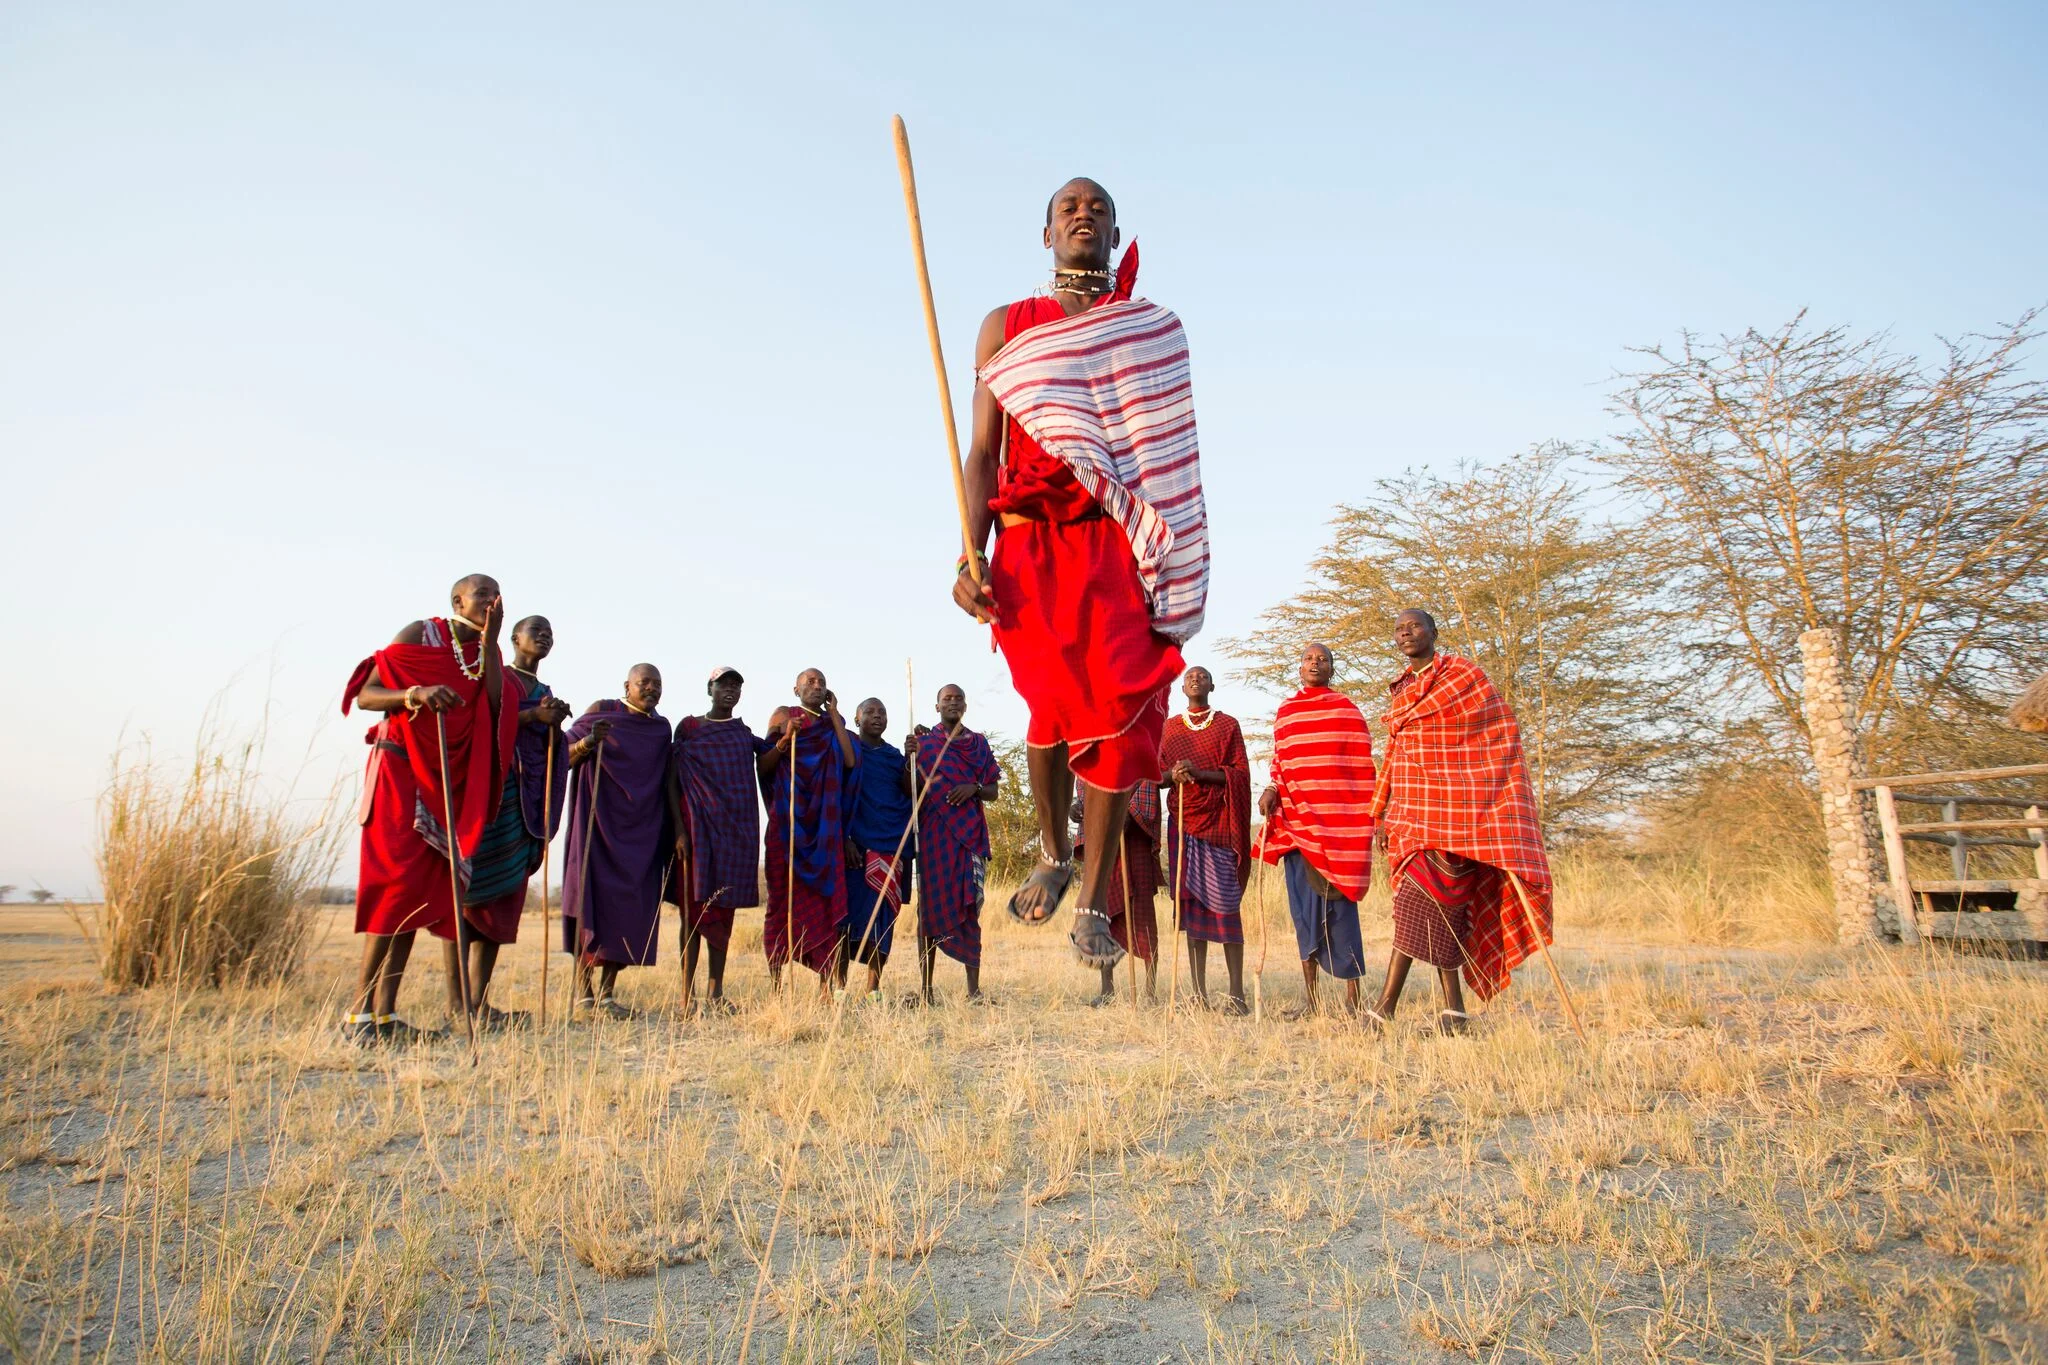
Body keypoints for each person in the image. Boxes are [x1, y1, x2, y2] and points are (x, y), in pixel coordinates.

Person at [949, 177, 1209, 971]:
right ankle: (1055, 851)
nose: (1083, 216)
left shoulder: (1147, 329)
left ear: (1115, 228)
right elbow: (984, 450)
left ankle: (1093, 902)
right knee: (1051, 708)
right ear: (1046, 233)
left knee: (1122, 714)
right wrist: (970, 549)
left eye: (1097, 208)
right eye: (1069, 208)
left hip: (1112, 545)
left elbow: (1167, 447)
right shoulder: (1007, 324)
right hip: (1027, 544)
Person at [340, 574, 518, 1045]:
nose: (492, 601)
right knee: (394, 889)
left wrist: (493, 643)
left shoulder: (487, 652)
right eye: (484, 594)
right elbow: (365, 695)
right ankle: (358, 1013)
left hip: (446, 784)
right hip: (400, 772)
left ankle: (386, 1015)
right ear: (457, 600)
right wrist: (414, 694)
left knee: (417, 896)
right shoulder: (420, 635)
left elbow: (497, 708)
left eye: (498, 595)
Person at [1372, 609, 1553, 1036]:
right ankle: (1451, 1011)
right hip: (1412, 817)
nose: (1406, 633)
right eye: (1399, 629)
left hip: (1462, 816)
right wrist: (1378, 812)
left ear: (1434, 632)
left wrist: (1498, 801)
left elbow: (1500, 730)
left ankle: (1386, 1009)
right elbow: (1393, 755)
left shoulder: (1464, 677)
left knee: (1440, 911)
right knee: (1417, 908)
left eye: (1414, 626)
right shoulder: (1401, 692)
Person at [453, 614, 570, 1029]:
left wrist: (556, 725)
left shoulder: (544, 691)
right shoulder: (497, 675)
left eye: (549, 633)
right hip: (494, 795)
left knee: (501, 903)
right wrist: (531, 718)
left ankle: (480, 1002)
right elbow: (481, 721)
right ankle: (458, 1002)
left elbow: (555, 748)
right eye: (535, 631)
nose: (543, 637)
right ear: (515, 637)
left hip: (527, 805)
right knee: (473, 900)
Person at [1258, 642, 1376, 1017]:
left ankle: (1353, 1002)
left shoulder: (1347, 711)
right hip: (1297, 826)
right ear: (1299, 667)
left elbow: (1362, 769)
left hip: (1338, 830)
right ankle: (1312, 1002)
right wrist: (1272, 789)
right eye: (1309, 658)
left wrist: (1369, 819)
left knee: (1341, 914)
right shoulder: (1287, 713)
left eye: (1322, 659)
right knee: (1303, 916)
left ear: (1332, 669)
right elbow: (1281, 763)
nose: (1315, 663)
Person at [562, 664, 677, 1017]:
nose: (652, 689)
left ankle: (608, 994)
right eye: (645, 683)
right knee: (589, 904)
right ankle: (583, 993)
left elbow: (666, 777)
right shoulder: (603, 711)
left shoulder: (661, 728)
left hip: (641, 831)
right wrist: (588, 742)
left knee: (629, 911)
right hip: (598, 825)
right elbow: (562, 756)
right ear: (626, 686)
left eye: (658, 684)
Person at [671, 666, 767, 1015]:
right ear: (709, 688)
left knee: (721, 915)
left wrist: (786, 740)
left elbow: (769, 759)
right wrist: (678, 830)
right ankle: (686, 996)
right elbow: (672, 778)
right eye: (723, 684)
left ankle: (715, 992)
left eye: (736, 686)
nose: (730, 690)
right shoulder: (690, 728)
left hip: (733, 836)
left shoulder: (742, 734)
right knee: (691, 916)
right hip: (696, 833)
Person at [759, 669, 856, 996]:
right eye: (810, 682)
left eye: (821, 682)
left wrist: (834, 714)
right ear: (796, 688)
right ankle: (776, 989)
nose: (816, 686)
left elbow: (851, 760)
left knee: (826, 906)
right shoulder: (784, 717)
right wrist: (786, 740)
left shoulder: (832, 722)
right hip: (787, 828)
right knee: (779, 907)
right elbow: (764, 766)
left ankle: (826, 989)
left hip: (825, 828)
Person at [1160, 666, 1252, 1013]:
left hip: (1220, 825)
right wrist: (1175, 774)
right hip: (1183, 823)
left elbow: (1240, 773)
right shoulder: (1168, 728)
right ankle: (1197, 994)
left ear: (1213, 685)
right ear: (1182, 687)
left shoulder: (1228, 725)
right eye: (1189, 677)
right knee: (1191, 909)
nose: (1195, 679)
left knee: (1227, 907)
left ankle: (1237, 994)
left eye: (1202, 676)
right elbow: (1155, 776)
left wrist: (1201, 774)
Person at [910, 684, 1001, 1003]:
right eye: (946, 699)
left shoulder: (978, 744)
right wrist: (910, 756)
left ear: (965, 706)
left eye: (958, 698)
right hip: (934, 836)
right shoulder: (924, 743)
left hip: (970, 838)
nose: (952, 702)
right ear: (936, 707)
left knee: (970, 908)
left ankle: (973, 990)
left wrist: (973, 787)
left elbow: (993, 790)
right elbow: (909, 787)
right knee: (929, 911)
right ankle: (926, 990)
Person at [839, 698, 914, 1001]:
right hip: (855, 847)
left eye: (882, 712)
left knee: (883, 919)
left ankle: (873, 988)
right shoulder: (848, 752)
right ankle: (838, 986)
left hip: (890, 847)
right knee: (846, 919)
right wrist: (844, 838)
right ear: (857, 720)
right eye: (869, 712)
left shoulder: (894, 756)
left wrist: (911, 759)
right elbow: (838, 795)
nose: (877, 716)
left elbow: (909, 792)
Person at [1071, 779, 1161, 1005]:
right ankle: (1107, 990)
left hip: (1135, 841)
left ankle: (1150, 993)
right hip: (1102, 842)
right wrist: (1077, 807)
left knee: (1143, 917)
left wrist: (1127, 814)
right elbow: (1084, 787)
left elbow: (1149, 779)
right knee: (1104, 913)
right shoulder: (1092, 748)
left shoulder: (1138, 744)